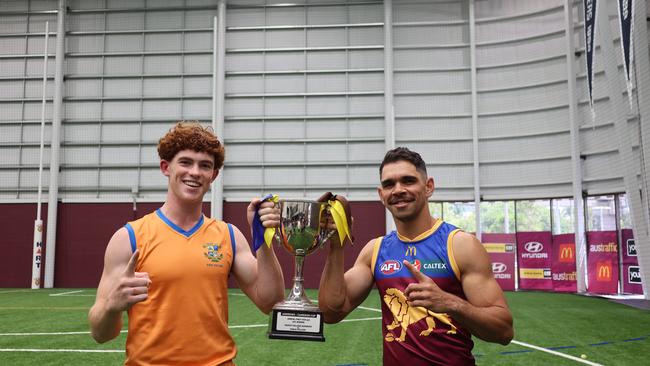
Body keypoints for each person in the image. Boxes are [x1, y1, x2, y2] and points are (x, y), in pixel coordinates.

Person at [88, 121, 284, 366]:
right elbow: (100, 333)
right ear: (165, 167)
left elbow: (271, 302)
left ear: (213, 175)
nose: (195, 172)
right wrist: (111, 306)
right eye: (185, 162)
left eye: (205, 166)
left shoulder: (229, 236)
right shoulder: (129, 238)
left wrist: (262, 239)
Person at [318, 147, 513, 365]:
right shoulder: (375, 250)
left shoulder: (460, 244)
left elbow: (503, 331)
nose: (398, 190)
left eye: (408, 181)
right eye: (389, 184)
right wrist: (336, 246)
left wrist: (450, 303)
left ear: (429, 187)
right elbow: (331, 312)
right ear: (381, 195)